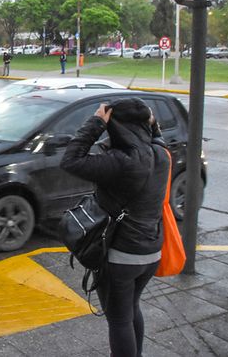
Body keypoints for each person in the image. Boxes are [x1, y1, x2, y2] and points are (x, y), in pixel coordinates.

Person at [60, 98, 170, 357]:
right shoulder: (161, 155)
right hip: (151, 253)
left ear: (116, 126)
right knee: (132, 309)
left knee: (119, 320)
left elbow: (71, 160)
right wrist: (151, 123)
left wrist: (96, 123)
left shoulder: (121, 160)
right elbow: (158, 137)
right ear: (146, 124)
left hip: (121, 255)